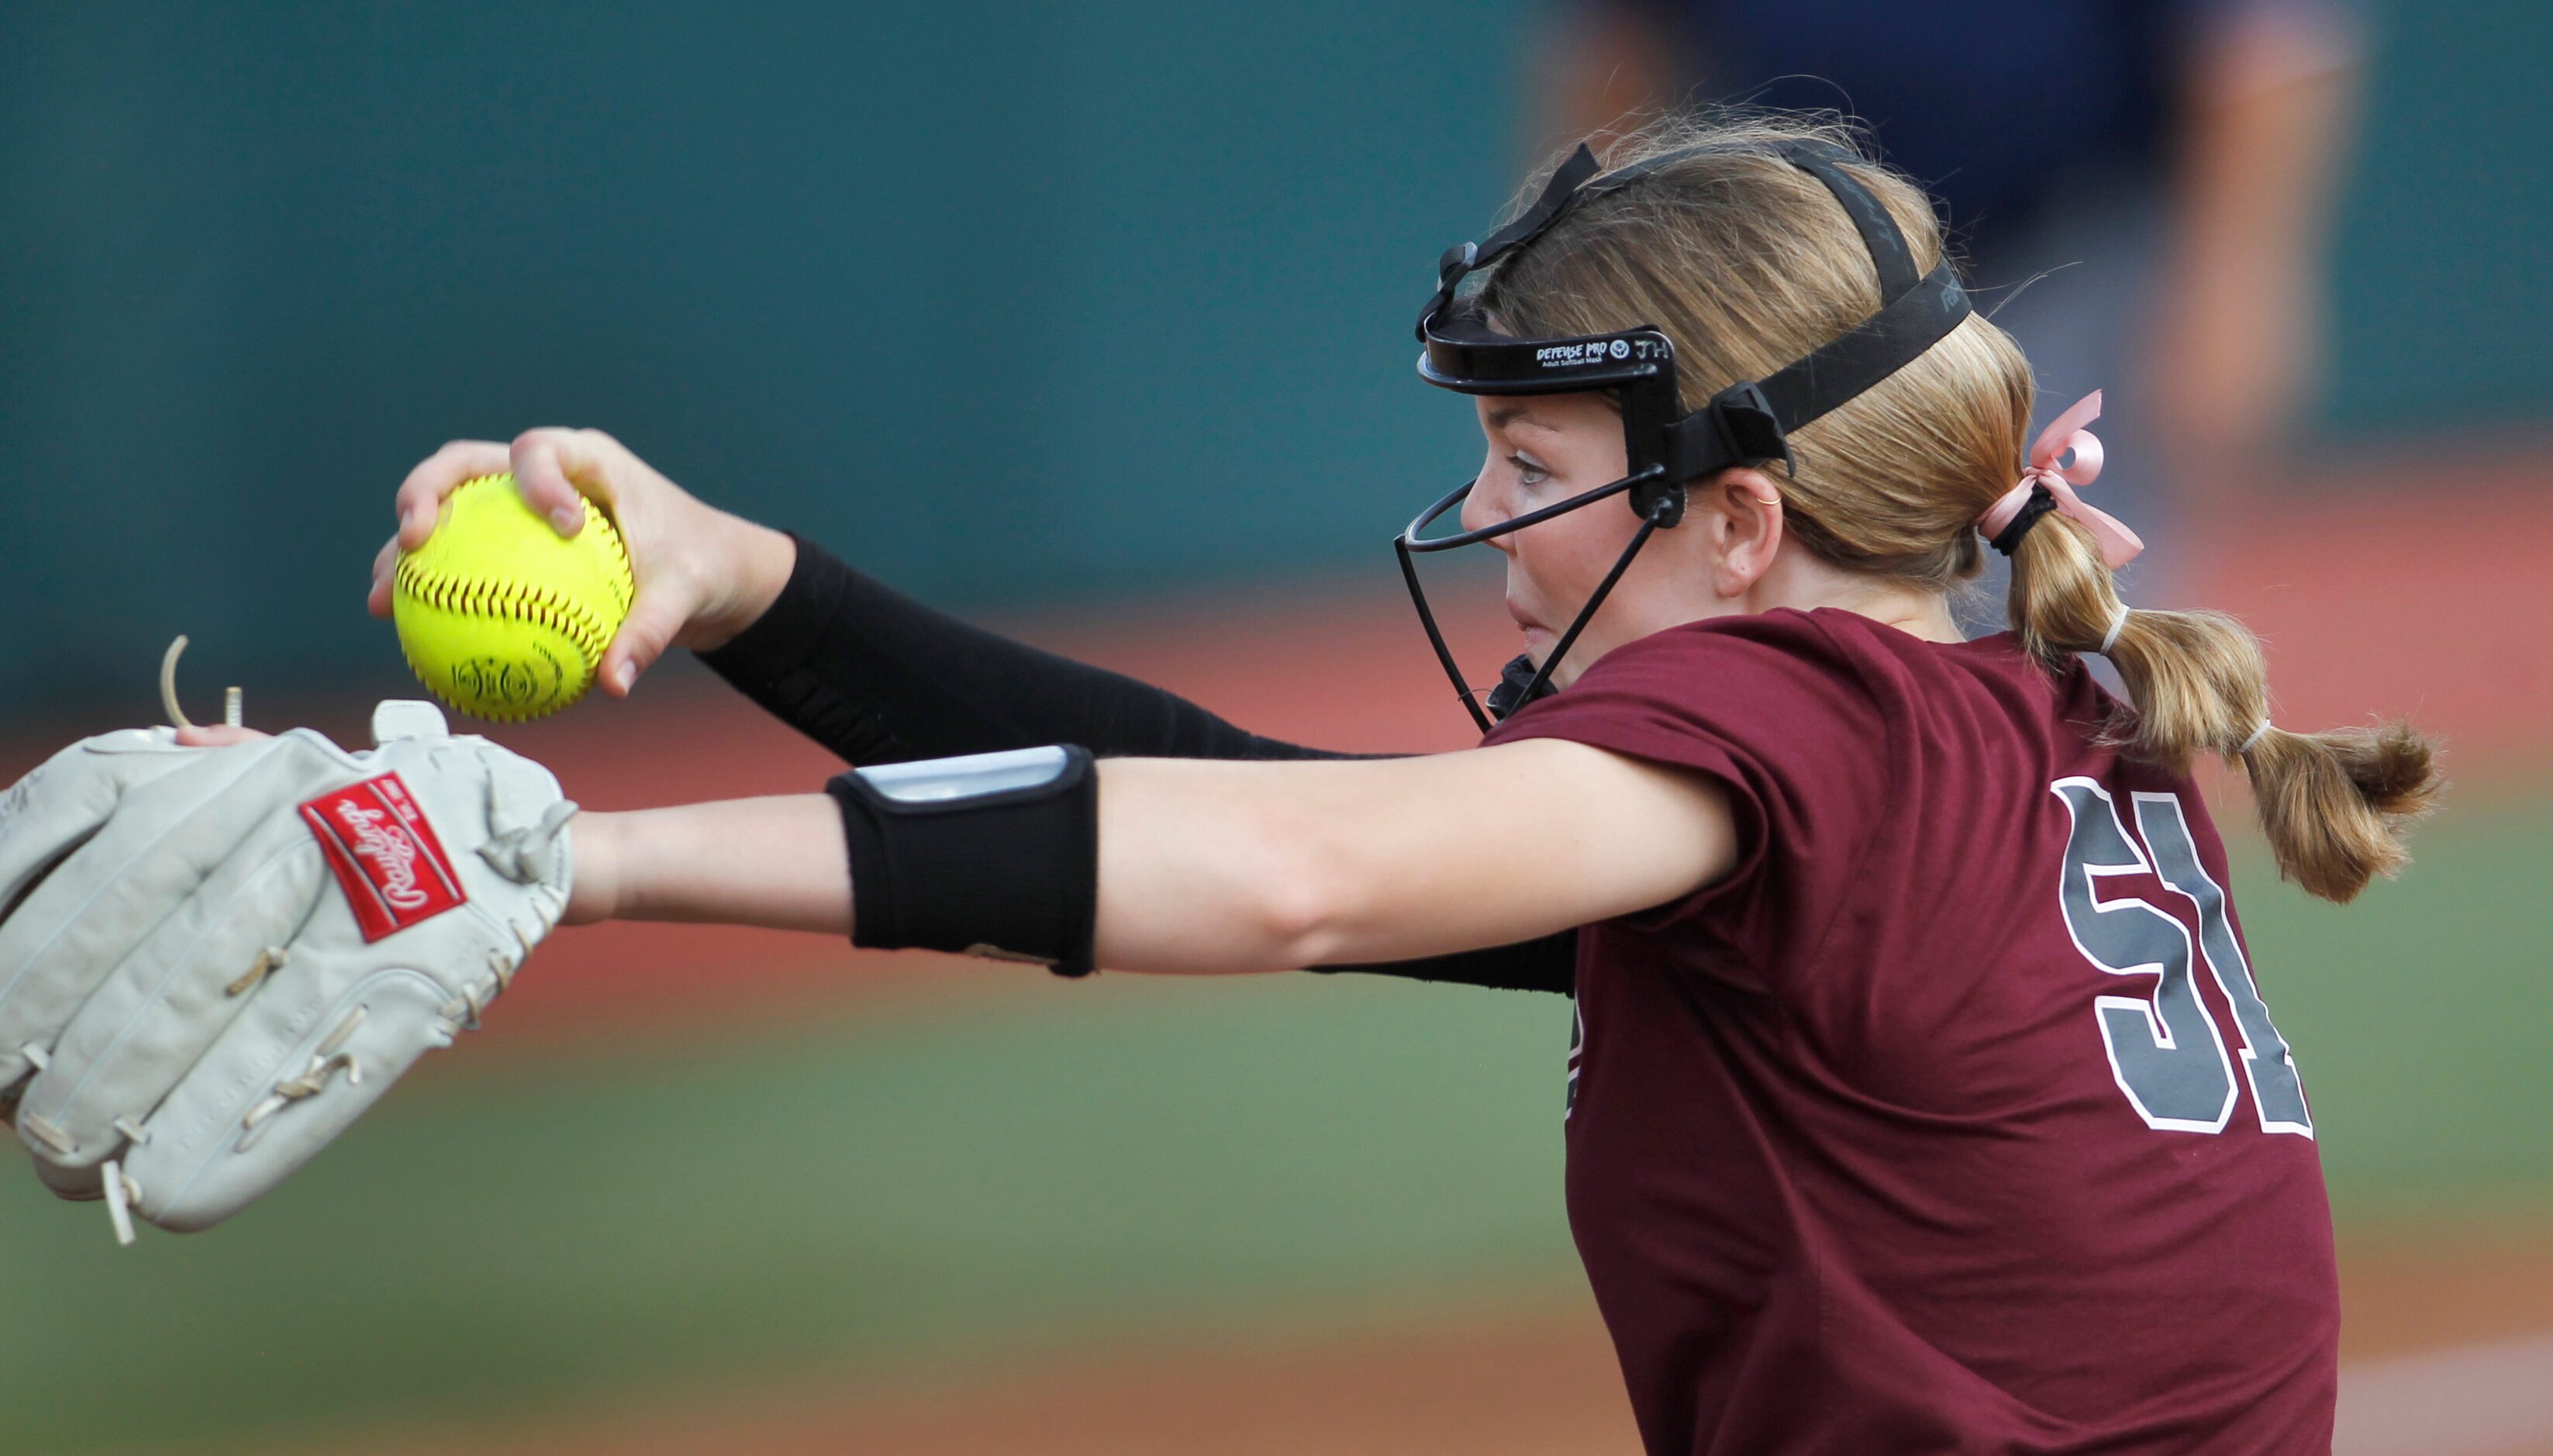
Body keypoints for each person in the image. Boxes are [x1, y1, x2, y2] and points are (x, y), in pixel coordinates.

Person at [140, 116, 2434, 1451]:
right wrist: (748, 584)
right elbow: (1204, 781)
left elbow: (1289, 868)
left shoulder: (1794, 730)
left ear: (1742, 523)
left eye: (1530, 461)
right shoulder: (2008, 721)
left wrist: (572, 854)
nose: (1484, 515)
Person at [1540, 0, 2368, 616]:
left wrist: (2237, 281)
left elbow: (2260, 43)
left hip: (2063, 256)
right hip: (1795, 282)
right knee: (1793, 609)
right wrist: (1589, 278)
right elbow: (1613, 47)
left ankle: (2073, 833)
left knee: (2060, 629)